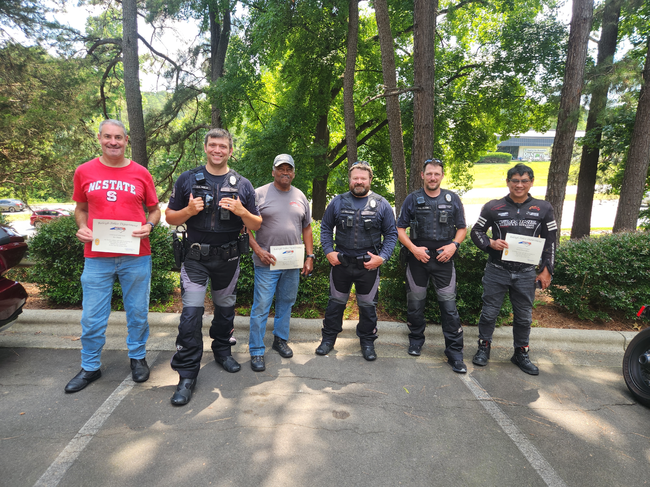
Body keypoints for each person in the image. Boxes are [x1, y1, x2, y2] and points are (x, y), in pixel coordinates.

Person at [165, 128, 262, 406]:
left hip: (228, 260)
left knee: (225, 310)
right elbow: (170, 217)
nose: (218, 150)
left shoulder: (243, 184)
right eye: (213, 145)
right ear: (205, 147)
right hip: (195, 259)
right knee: (191, 315)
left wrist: (242, 212)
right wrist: (188, 211)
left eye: (223, 146)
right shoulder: (187, 179)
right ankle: (187, 374)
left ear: (231, 150)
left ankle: (222, 351)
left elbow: (256, 223)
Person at [65, 119, 161, 393]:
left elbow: (155, 210)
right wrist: (82, 227)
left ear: (126, 140)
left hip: (136, 255)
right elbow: (81, 208)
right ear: (99, 138)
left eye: (118, 137)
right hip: (97, 256)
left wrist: (149, 225)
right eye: (108, 136)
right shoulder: (84, 171)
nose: (113, 142)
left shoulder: (141, 173)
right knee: (92, 317)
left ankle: (138, 358)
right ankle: (90, 366)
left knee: (138, 313)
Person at [470, 163, 557, 375]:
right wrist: (490, 243)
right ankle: (483, 347)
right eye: (515, 181)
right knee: (489, 312)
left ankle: (521, 353)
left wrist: (547, 269)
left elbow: (551, 241)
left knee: (524, 316)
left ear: (531, 182)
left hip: (526, 272)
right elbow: (476, 232)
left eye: (524, 181)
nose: (519, 185)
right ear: (508, 182)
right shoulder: (493, 207)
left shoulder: (544, 208)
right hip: (497, 269)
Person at [317, 161, 398, 361]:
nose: (359, 181)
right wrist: (328, 251)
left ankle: (367, 342)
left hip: (368, 266)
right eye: (355, 178)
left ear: (370, 180)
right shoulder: (337, 202)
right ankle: (328, 339)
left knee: (368, 307)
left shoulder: (382, 204)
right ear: (350, 180)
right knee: (335, 304)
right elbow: (325, 228)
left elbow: (391, 233)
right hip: (341, 264)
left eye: (363, 178)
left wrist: (382, 258)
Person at [396, 158, 468, 373]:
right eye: (429, 173)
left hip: (444, 260)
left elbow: (462, 228)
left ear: (442, 176)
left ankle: (455, 353)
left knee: (449, 308)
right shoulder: (412, 199)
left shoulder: (452, 199)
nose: (433, 177)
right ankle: (416, 340)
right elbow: (400, 229)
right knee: (415, 304)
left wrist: (454, 246)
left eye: (437, 174)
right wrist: (414, 249)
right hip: (418, 259)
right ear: (422, 175)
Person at [247, 154, 314, 372]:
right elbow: (245, 227)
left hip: (291, 262)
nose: (285, 172)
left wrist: (310, 256)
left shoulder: (300, 196)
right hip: (267, 262)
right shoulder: (259, 194)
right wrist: (258, 251)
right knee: (261, 307)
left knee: (286, 302)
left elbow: (307, 228)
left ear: (294, 173)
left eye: (289, 169)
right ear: (273, 171)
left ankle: (280, 340)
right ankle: (256, 350)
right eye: (281, 168)